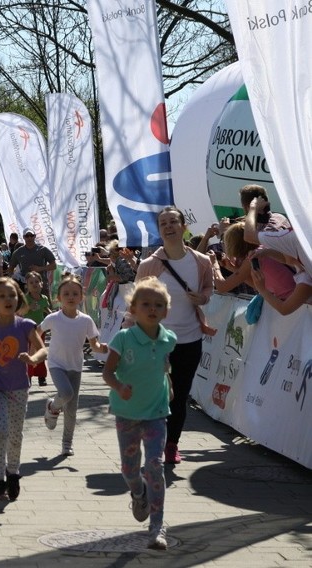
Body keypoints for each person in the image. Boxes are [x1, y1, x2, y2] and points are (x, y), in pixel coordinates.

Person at [102, 277, 176, 550]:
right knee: (129, 470)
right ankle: (138, 491)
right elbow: (107, 372)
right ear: (132, 309)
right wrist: (119, 386)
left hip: (156, 412)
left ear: (166, 310)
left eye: (159, 304)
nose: (152, 308)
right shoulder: (123, 338)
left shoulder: (169, 338)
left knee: (156, 465)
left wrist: (169, 386)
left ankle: (157, 526)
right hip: (127, 413)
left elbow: (165, 367)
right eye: (146, 304)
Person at [135, 206, 213, 464]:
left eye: (173, 222)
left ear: (183, 226)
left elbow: (208, 289)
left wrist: (202, 297)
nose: (168, 226)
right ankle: (154, 440)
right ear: (159, 230)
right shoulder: (149, 265)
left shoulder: (201, 262)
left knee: (179, 396)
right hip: (155, 341)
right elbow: (135, 302)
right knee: (156, 394)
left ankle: (171, 445)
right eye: (163, 223)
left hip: (190, 339)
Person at [0, 277, 46, 502]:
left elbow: (43, 350)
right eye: (2, 296)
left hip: (19, 387)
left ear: (18, 298)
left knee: (15, 434)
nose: (8, 299)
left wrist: (32, 359)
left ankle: (13, 473)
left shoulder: (25, 325)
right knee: (1, 429)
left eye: (12, 295)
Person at [40, 275, 108, 456]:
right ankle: (53, 407)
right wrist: (35, 350)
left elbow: (94, 345)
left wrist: (104, 349)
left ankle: (66, 443)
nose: (71, 297)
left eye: (75, 294)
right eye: (66, 293)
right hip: (56, 363)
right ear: (58, 298)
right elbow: (37, 332)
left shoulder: (86, 320)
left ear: (81, 297)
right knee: (66, 394)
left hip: (76, 367)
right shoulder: (53, 318)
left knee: (71, 409)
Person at [23, 272, 51, 386]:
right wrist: (29, 307)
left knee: (40, 352)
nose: (34, 284)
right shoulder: (25, 298)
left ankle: (41, 376)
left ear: (41, 284)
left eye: (36, 282)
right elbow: (20, 312)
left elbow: (46, 310)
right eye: (31, 282)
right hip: (27, 330)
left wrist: (52, 315)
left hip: (41, 329)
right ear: (27, 285)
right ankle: (27, 376)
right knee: (29, 352)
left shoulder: (43, 298)